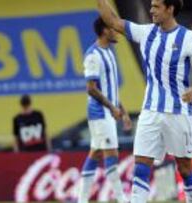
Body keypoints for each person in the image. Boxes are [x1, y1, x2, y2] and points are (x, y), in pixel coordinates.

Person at [96, 0, 192, 203]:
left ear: (170, 8)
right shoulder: (145, 32)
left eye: (156, 6)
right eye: (151, 5)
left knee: (184, 168)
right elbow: (112, 21)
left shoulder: (188, 38)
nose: (151, 10)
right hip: (150, 111)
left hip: (178, 112)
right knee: (141, 165)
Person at [78, 17, 132, 203]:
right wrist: (111, 108)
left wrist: (122, 111)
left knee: (96, 153)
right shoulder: (93, 55)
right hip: (100, 113)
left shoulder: (109, 52)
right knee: (111, 154)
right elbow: (91, 88)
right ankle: (121, 198)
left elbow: (111, 89)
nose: (116, 31)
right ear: (104, 30)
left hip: (108, 112)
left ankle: (82, 199)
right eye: (113, 28)